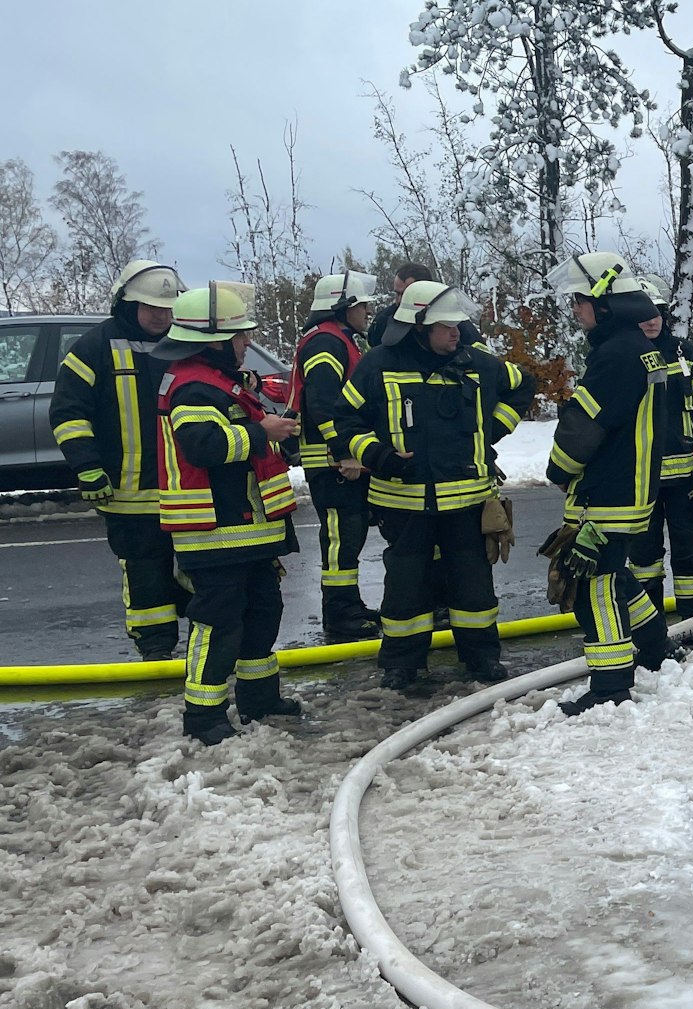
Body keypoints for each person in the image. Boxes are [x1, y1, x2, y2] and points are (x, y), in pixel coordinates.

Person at [331, 280, 533, 691]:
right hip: (402, 501)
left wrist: (491, 429)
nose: (455, 332)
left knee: (473, 585)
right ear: (418, 326)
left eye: (457, 324)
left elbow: (523, 385)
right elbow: (344, 420)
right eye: (445, 326)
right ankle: (402, 664)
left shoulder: (478, 362)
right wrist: (377, 456)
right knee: (406, 586)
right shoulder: (379, 365)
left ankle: (481, 658)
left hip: (468, 499)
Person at [153, 281, 303, 744]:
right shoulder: (193, 387)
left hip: (245, 530)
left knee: (262, 613)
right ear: (212, 340)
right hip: (214, 532)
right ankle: (204, 717)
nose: (246, 344)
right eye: (239, 336)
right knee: (218, 624)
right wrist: (264, 432)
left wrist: (278, 435)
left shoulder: (219, 382)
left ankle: (259, 699)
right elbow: (204, 446)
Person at [542, 252, 674, 715]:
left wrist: (558, 471)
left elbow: (584, 428)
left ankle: (611, 685)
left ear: (605, 303)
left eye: (580, 300)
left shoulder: (615, 354)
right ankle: (654, 647)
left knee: (593, 587)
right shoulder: (637, 346)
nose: (575, 308)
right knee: (616, 574)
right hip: (629, 489)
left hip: (606, 493)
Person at [47, 260, 189, 660]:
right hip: (128, 494)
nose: (161, 316)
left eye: (167, 307)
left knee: (201, 569)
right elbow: (68, 413)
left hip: (186, 488)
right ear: (127, 303)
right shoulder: (93, 348)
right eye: (152, 308)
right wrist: (88, 467)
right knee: (145, 576)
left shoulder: (184, 343)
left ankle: (207, 646)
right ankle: (157, 653)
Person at [626, 277, 693, 620]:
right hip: (640, 481)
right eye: (643, 315)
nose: (651, 320)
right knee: (644, 560)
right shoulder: (622, 358)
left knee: (691, 557)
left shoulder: (686, 354)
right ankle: (650, 631)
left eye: (656, 312)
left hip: (687, 477)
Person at [294, 270, 381, 640]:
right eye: (361, 306)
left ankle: (349, 606)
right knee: (340, 538)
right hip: (331, 462)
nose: (366, 312)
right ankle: (340, 614)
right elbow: (323, 403)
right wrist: (345, 452)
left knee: (350, 535)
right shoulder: (326, 344)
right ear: (344, 307)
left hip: (336, 459)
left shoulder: (336, 340)